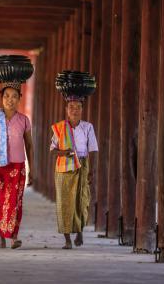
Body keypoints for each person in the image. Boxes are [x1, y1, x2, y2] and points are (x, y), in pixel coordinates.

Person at [0, 83, 34, 249]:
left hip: (17, 166)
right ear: (1, 99)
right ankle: (1, 236)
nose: (10, 100)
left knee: (14, 202)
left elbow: (29, 145)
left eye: (14, 96)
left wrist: (31, 169)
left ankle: (13, 237)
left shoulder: (24, 120)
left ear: (20, 99)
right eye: (6, 96)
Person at [50, 96, 98, 249]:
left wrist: (92, 170)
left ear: (82, 110)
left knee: (82, 200)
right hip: (64, 166)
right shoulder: (59, 128)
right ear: (66, 110)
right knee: (64, 202)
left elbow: (93, 149)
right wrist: (64, 152)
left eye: (78, 107)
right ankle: (67, 240)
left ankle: (80, 231)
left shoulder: (88, 127)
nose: (74, 110)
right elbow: (52, 150)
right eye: (71, 107)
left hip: (82, 165)